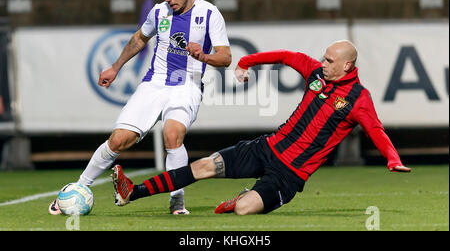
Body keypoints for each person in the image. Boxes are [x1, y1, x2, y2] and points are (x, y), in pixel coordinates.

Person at [112, 40, 411, 215]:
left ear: (347, 66)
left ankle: (242, 198)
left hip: (289, 174)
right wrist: (246, 62)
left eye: (329, 60)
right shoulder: (316, 73)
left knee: (244, 210)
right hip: (267, 147)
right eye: (323, 57)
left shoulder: (358, 98)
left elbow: (376, 130)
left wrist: (393, 159)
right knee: (203, 166)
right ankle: (132, 192)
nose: (322, 63)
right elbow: (284, 56)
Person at [49, 0, 231, 215]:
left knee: (172, 135)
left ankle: (177, 200)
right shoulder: (159, 12)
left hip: (186, 85)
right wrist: (115, 67)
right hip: (153, 84)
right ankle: (78, 187)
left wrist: (203, 56)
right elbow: (139, 39)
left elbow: (226, 58)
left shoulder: (210, 14)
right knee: (118, 140)